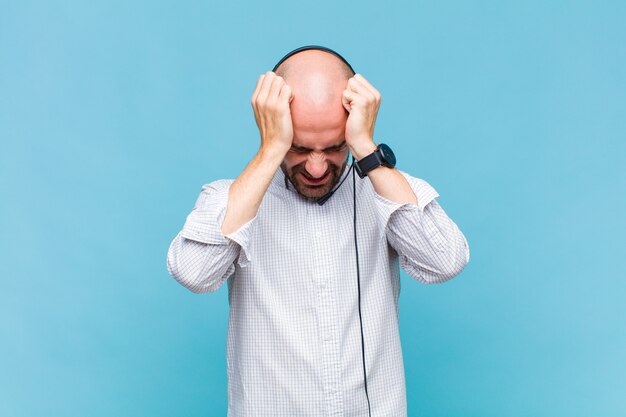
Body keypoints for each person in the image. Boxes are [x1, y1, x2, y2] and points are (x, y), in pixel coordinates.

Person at [167, 46, 470, 417]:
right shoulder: (229, 199)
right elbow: (194, 273)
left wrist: (366, 150)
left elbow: (445, 261)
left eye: (334, 148)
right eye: (297, 147)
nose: (314, 167)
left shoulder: (385, 191)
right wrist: (271, 150)